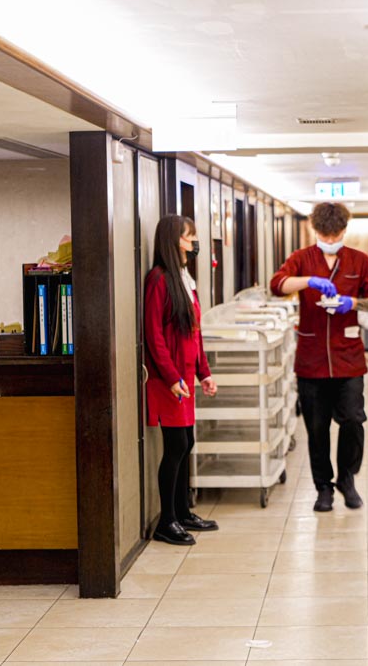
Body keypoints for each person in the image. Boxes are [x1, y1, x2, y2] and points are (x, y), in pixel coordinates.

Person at [270, 202, 368, 512]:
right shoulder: (301, 258)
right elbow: (277, 285)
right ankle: (323, 488)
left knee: (353, 419)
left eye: (336, 235)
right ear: (316, 231)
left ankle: (347, 478)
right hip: (312, 360)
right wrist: (308, 281)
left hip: (349, 358)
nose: (331, 240)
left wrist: (354, 303)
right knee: (317, 428)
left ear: (345, 231)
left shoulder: (359, 261)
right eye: (325, 235)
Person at [144, 215, 219, 545]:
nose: (194, 242)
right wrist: (172, 376)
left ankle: (183, 512)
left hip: (185, 377)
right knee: (176, 445)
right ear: (173, 241)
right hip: (167, 380)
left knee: (186, 442)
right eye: (189, 236)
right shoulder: (159, 280)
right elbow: (154, 335)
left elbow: (194, 333)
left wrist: (204, 372)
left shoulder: (185, 280)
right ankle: (167, 521)